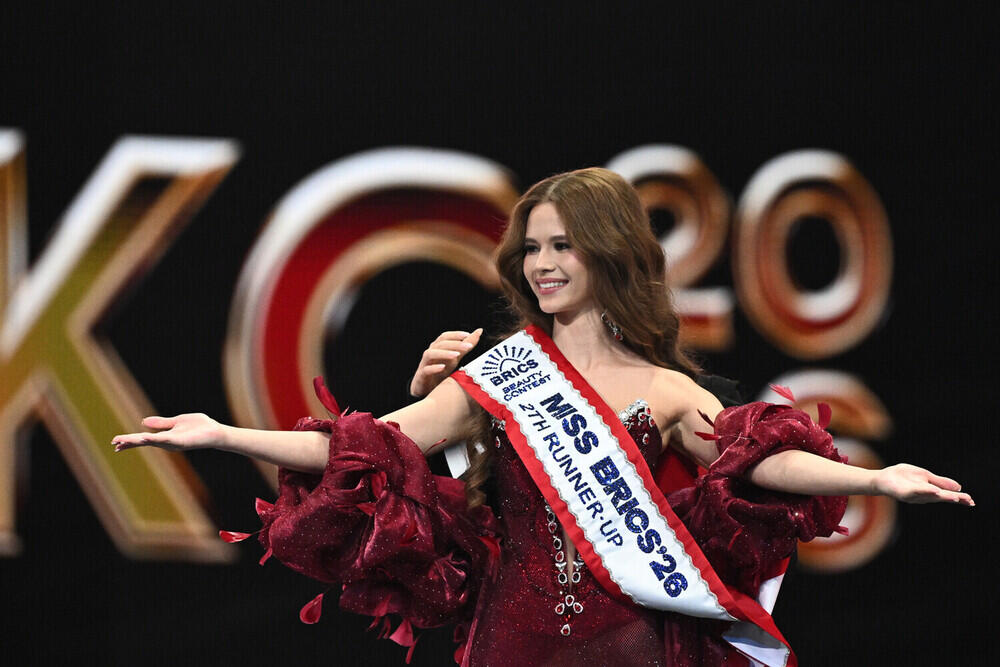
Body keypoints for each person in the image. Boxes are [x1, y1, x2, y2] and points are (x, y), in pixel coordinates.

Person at [112, 168, 972, 667]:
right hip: (510, 644)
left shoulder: (666, 388)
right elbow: (378, 442)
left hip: (633, 646)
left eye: (563, 244)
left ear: (609, 251)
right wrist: (222, 434)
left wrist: (875, 479)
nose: (542, 262)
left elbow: (757, 460)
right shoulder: (503, 373)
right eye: (532, 246)